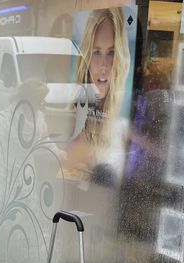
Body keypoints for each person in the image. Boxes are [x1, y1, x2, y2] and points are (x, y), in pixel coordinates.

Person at [67, 7, 130, 181]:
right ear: (86, 57)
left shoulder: (122, 127)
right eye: (96, 52)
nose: (103, 65)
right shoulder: (70, 117)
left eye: (111, 53)